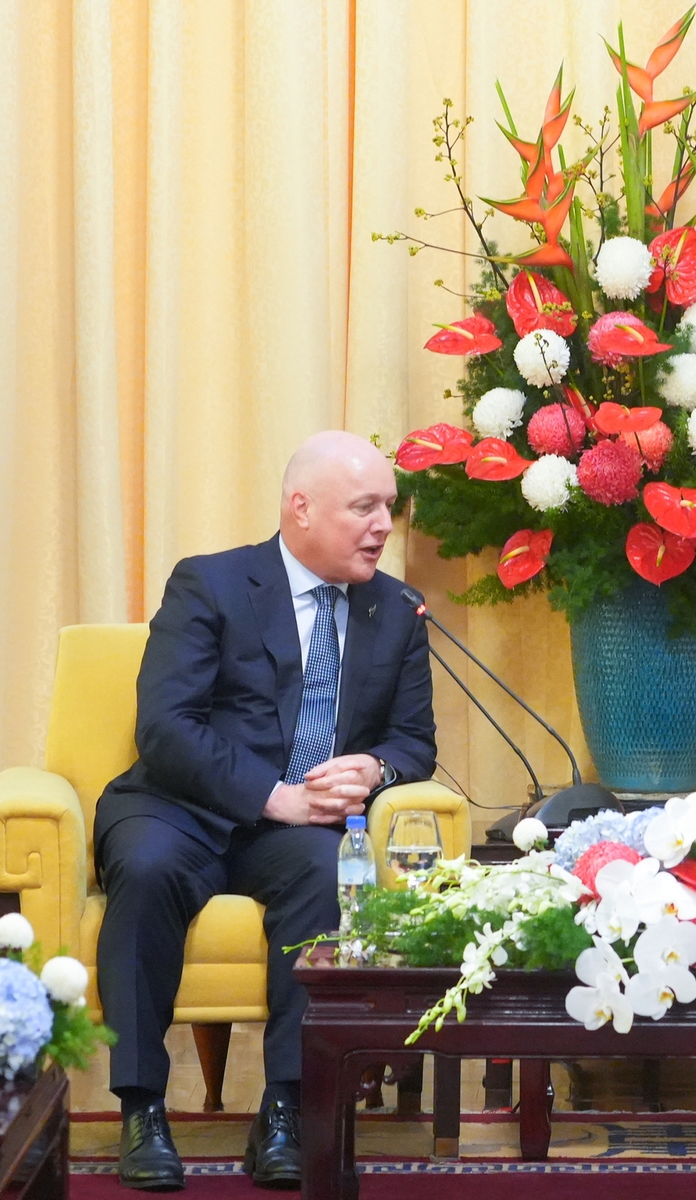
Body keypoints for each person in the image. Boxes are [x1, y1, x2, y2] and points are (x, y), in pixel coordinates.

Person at [93, 431, 436, 1191]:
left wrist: (375, 767)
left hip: (291, 834)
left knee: (325, 876)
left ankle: (287, 1107)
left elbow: (416, 742)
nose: (383, 525)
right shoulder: (211, 584)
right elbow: (165, 726)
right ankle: (142, 1108)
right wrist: (272, 795)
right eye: (364, 507)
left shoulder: (398, 609)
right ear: (300, 509)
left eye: (389, 507)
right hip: (177, 807)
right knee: (146, 872)